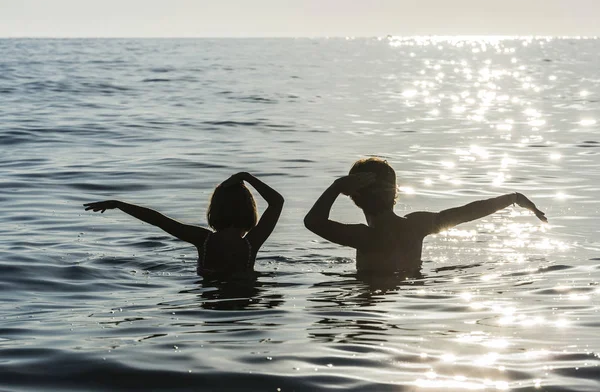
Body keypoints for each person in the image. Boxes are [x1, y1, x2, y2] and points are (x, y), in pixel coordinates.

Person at [304, 158, 547, 273]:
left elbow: (312, 222)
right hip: (414, 291)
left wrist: (336, 187)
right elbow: (469, 212)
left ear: (354, 198)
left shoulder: (362, 236)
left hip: (369, 296)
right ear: (395, 195)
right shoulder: (416, 226)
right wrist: (513, 198)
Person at [84, 172, 284, 277]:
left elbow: (157, 219)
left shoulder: (203, 239)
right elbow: (277, 202)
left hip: (208, 293)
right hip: (244, 293)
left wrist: (119, 204)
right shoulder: (252, 243)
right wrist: (246, 176)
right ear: (249, 209)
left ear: (215, 210)